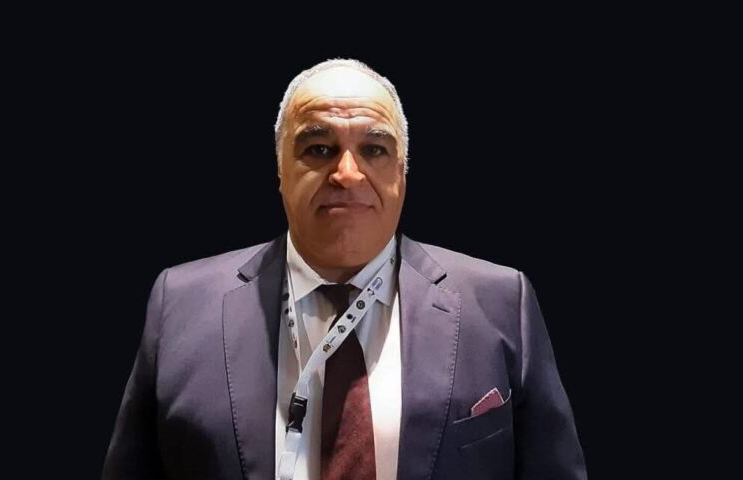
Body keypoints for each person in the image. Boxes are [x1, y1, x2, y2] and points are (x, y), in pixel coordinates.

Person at [103, 58, 587, 480]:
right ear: (280, 169)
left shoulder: (500, 303)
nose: (348, 173)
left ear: (402, 172)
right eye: (319, 148)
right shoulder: (181, 306)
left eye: (374, 149)